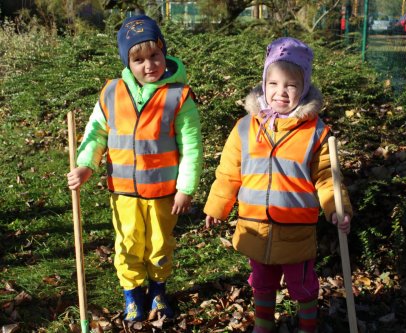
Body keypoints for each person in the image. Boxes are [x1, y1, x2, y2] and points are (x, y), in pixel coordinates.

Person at [203, 37, 353, 333]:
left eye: (291, 85)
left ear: (305, 87)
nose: (280, 92)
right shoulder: (245, 127)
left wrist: (336, 208)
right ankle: (263, 324)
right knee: (261, 281)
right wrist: (217, 206)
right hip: (254, 224)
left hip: (295, 228)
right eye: (273, 83)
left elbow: (326, 175)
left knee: (302, 284)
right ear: (263, 83)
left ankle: (308, 325)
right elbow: (229, 172)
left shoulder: (316, 132)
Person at [67, 15, 203, 322]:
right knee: (127, 241)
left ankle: (157, 289)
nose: (149, 65)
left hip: (163, 193)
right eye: (138, 59)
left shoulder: (178, 97)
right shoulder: (112, 93)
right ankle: (131, 294)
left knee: (159, 243)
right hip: (124, 191)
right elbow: (96, 133)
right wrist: (87, 165)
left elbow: (192, 146)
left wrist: (186, 187)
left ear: (164, 52)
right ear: (127, 62)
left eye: (154, 55)